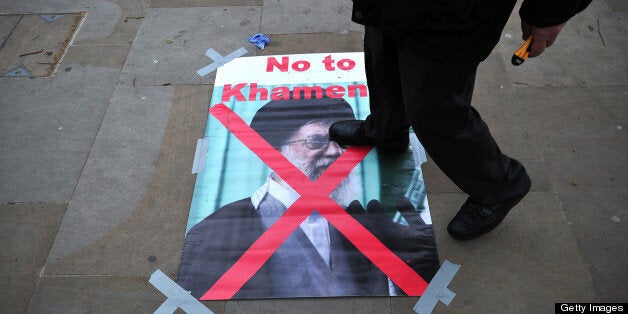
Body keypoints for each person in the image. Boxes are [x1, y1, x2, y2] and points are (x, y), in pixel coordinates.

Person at [330, 0, 592, 241]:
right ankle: (386, 130)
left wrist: (549, 14)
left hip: (454, 13)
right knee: (383, 61)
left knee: (435, 106)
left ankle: (500, 185)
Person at [177, 96, 439, 299]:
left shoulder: (368, 222)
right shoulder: (216, 230)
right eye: (317, 142)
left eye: (343, 144)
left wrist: (408, 265)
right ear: (277, 155)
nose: (336, 153)